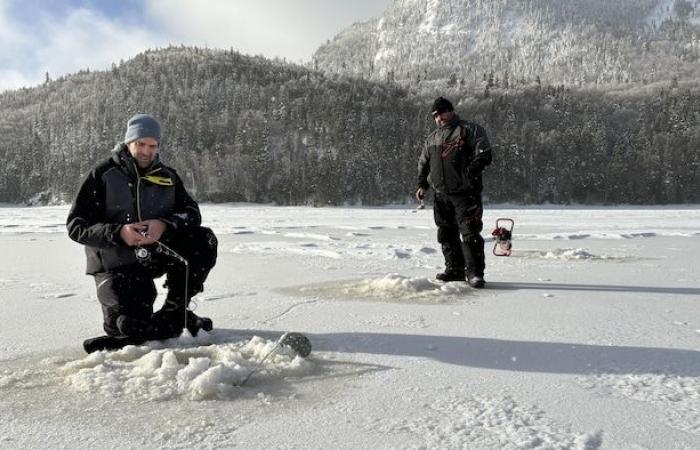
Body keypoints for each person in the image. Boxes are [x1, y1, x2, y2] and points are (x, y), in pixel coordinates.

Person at [67, 114, 218, 342]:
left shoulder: (168, 176)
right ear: (129, 142)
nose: (147, 151)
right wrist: (119, 233)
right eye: (141, 144)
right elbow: (77, 226)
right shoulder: (103, 175)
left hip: (156, 253)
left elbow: (192, 213)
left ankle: (174, 311)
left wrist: (165, 224)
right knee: (127, 325)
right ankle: (149, 323)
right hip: (117, 261)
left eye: (153, 145)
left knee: (203, 239)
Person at [416, 97, 493, 288]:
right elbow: (423, 164)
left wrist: (470, 171)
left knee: (470, 233)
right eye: (435, 115)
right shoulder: (432, 138)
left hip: (465, 193)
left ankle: (474, 273)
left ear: (451, 111)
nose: (439, 118)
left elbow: (485, 154)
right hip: (440, 194)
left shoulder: (469, 130)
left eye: (442, 113)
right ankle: (454, 270)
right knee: (446, 234)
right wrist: (422, 185)